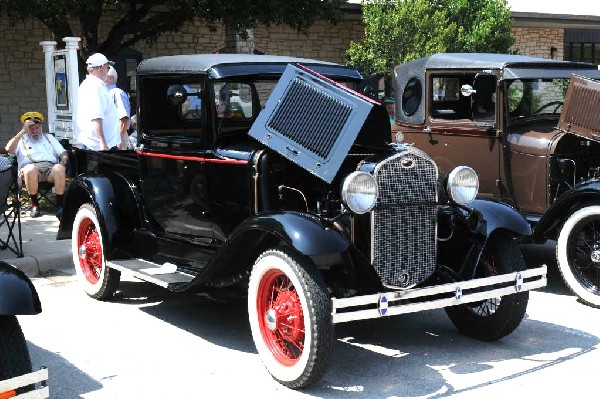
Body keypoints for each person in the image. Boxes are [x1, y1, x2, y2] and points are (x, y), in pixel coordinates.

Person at [5, 111, 68, 219]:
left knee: (59, 168)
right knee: (30, 169)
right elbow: (9, 150)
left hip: (50, 169)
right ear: (26, 129)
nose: (35, 131)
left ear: (41, 127)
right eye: (31, 129)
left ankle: (60, 206)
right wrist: (22, 132)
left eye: (37, 128)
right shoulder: (21, 139)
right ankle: (35, 205)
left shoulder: (48, 137)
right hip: (29, 170)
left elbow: (63, 153)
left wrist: (63, 162)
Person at [76, 53, 120, 151]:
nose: (108, 71)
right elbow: (96, 117)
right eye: (108, 68)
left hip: (95, 144)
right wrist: (102, 142)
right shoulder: (96, 87)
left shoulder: (88, 84)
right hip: (98, 146)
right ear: (101, 67)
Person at [105, 66, 131, 149]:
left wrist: (118, 139)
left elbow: (124, 118)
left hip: (117, 136)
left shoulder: (117, 93)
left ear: (111, 78)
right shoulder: (105, 92)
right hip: (110, 137)